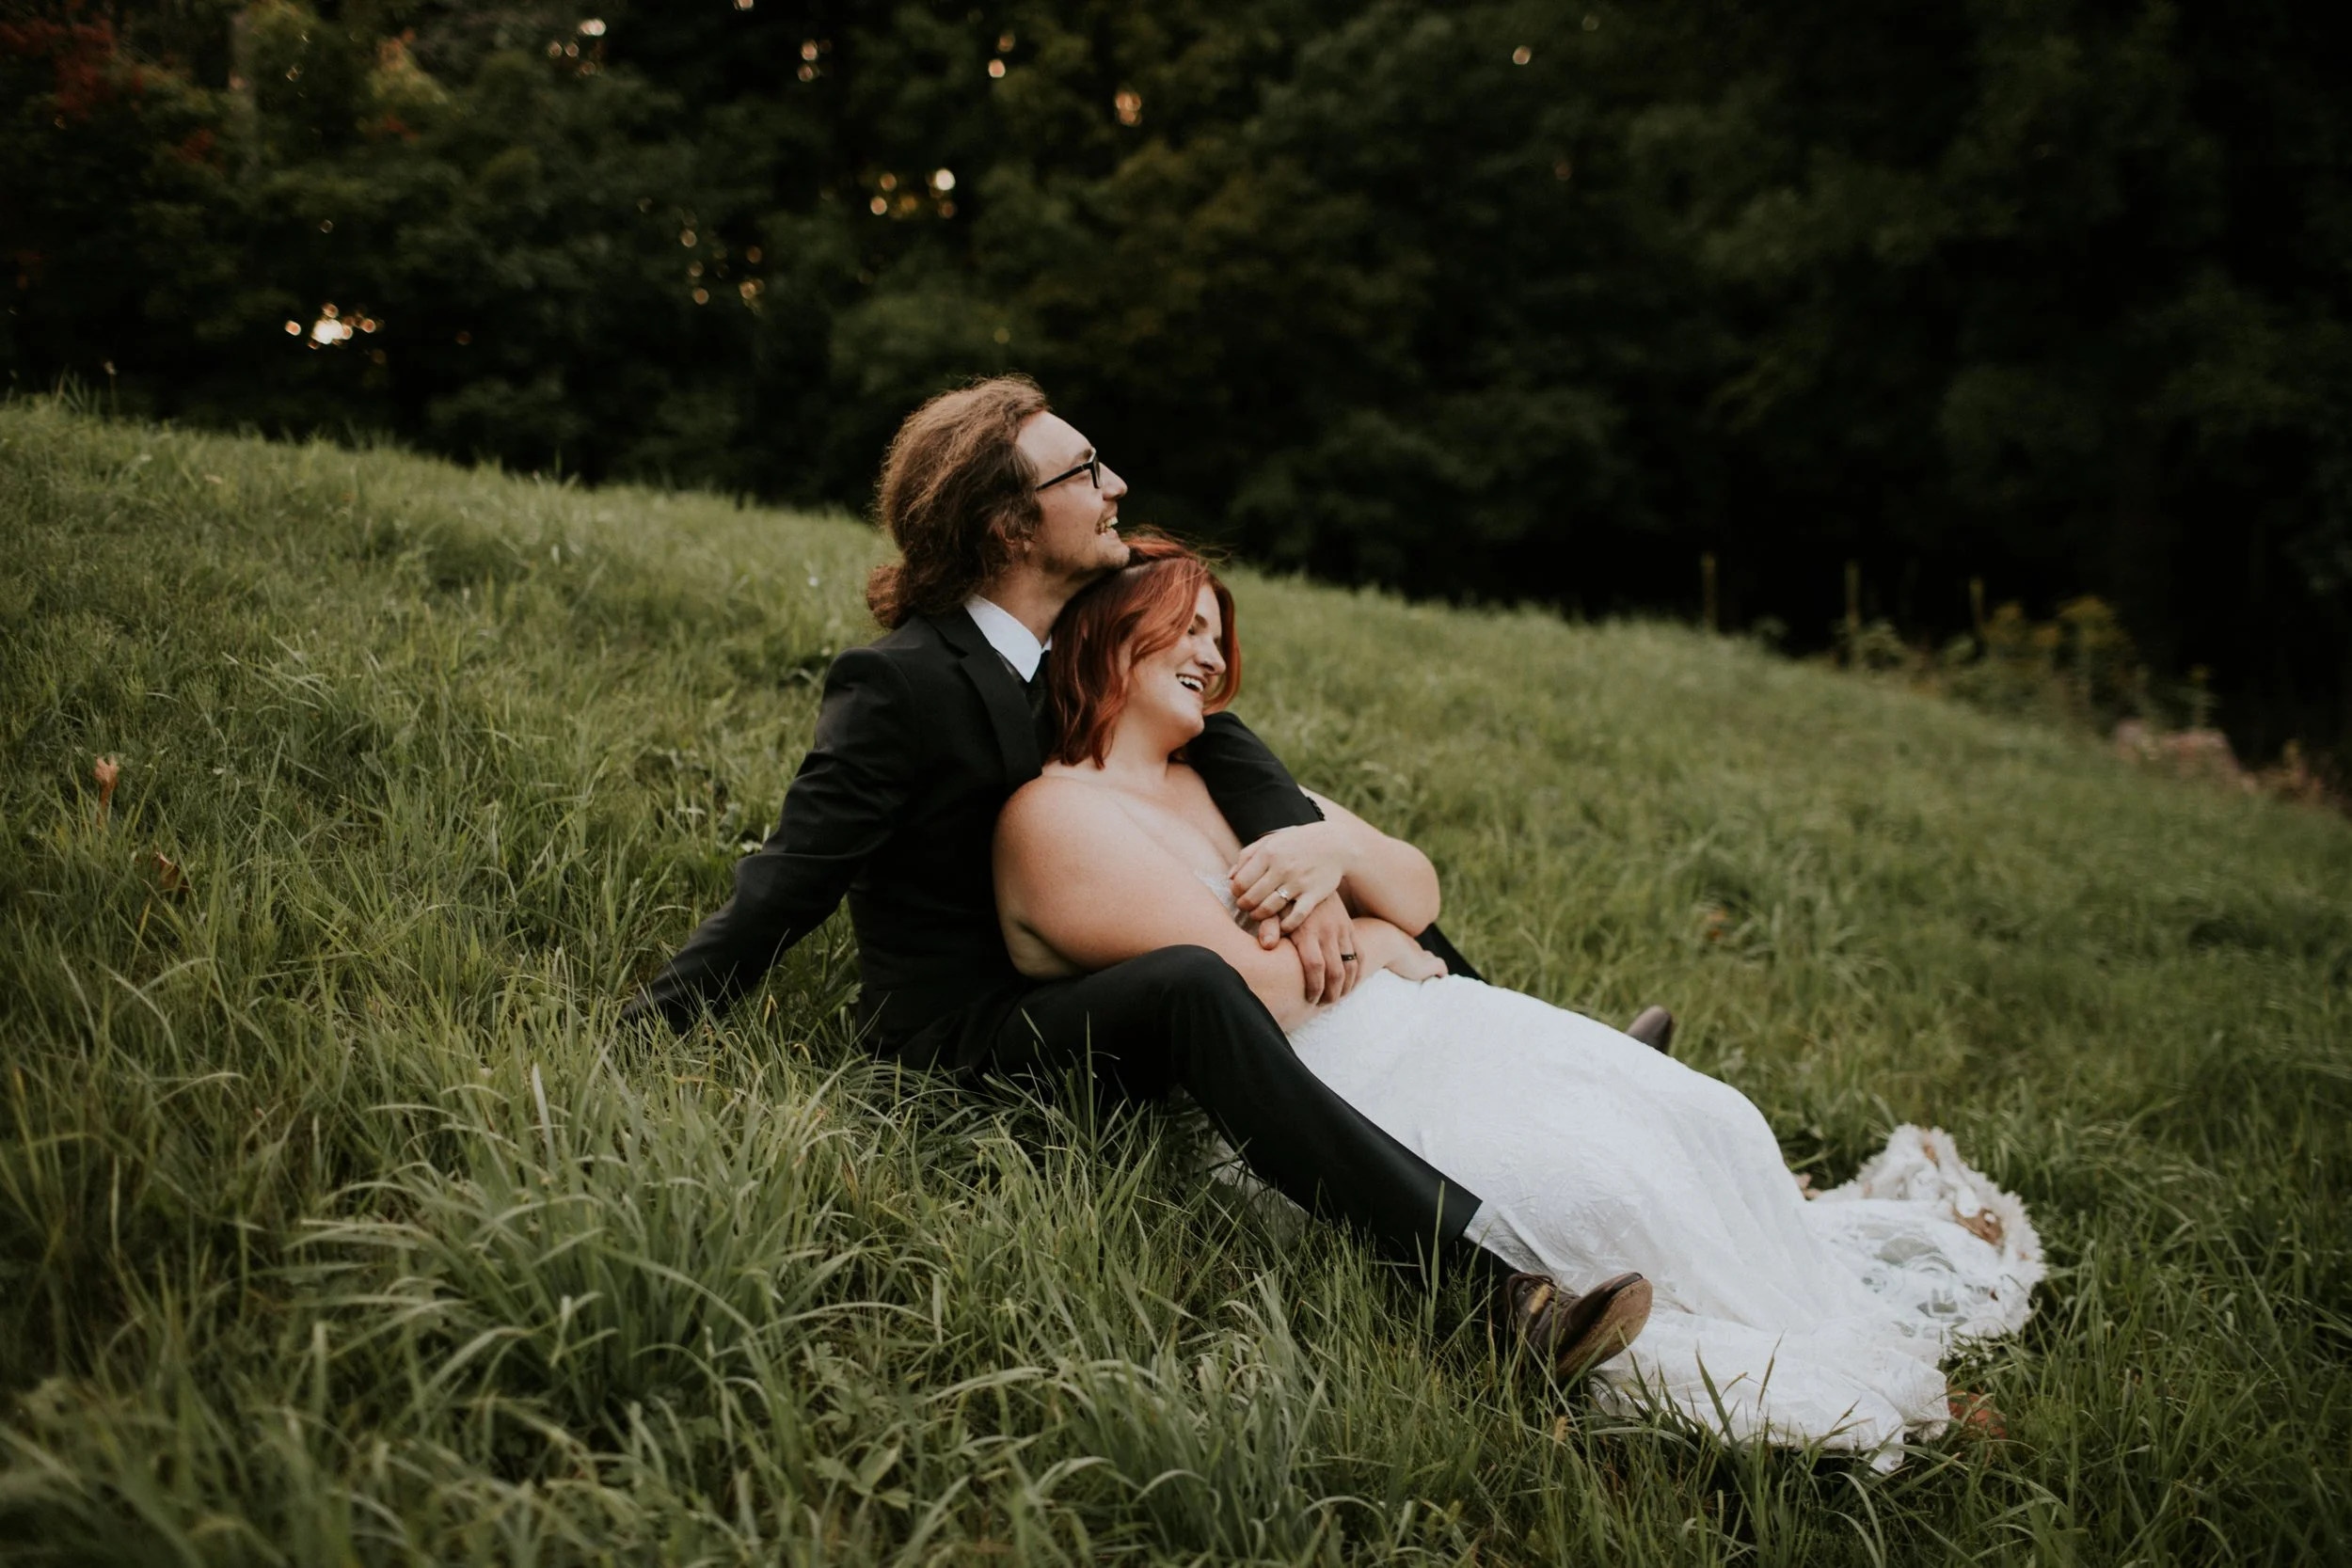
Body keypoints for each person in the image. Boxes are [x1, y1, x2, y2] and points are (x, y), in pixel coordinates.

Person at [623, 376, 1652, 1377]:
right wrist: (646, 1033)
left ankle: (1587, 1076)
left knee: (1336, 878)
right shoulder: (900, 682)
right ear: (1008, 525)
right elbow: (793, 876)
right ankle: (1482, 1297)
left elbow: (1227, 748)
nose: (1115, 483)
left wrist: (1319, 867)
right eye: (1085, 470)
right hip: (982, 1029)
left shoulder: (1085, 642)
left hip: (1096, 951)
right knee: (1194, 981)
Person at [993, 538, 2047, 1465]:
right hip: (1312, 1106)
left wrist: (1336, 847)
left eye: (1220, 635)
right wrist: (1367, 935)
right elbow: (1241, 992)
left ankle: (1812, 1279)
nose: (1215, 656)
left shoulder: (1216, 778)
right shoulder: (1056, 817)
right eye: (1186, 627)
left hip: (1426, 1030)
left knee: (1711, 1116)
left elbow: (1416, 885)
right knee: (1589, 1188)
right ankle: (1682, 1338)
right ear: (1104, 636)